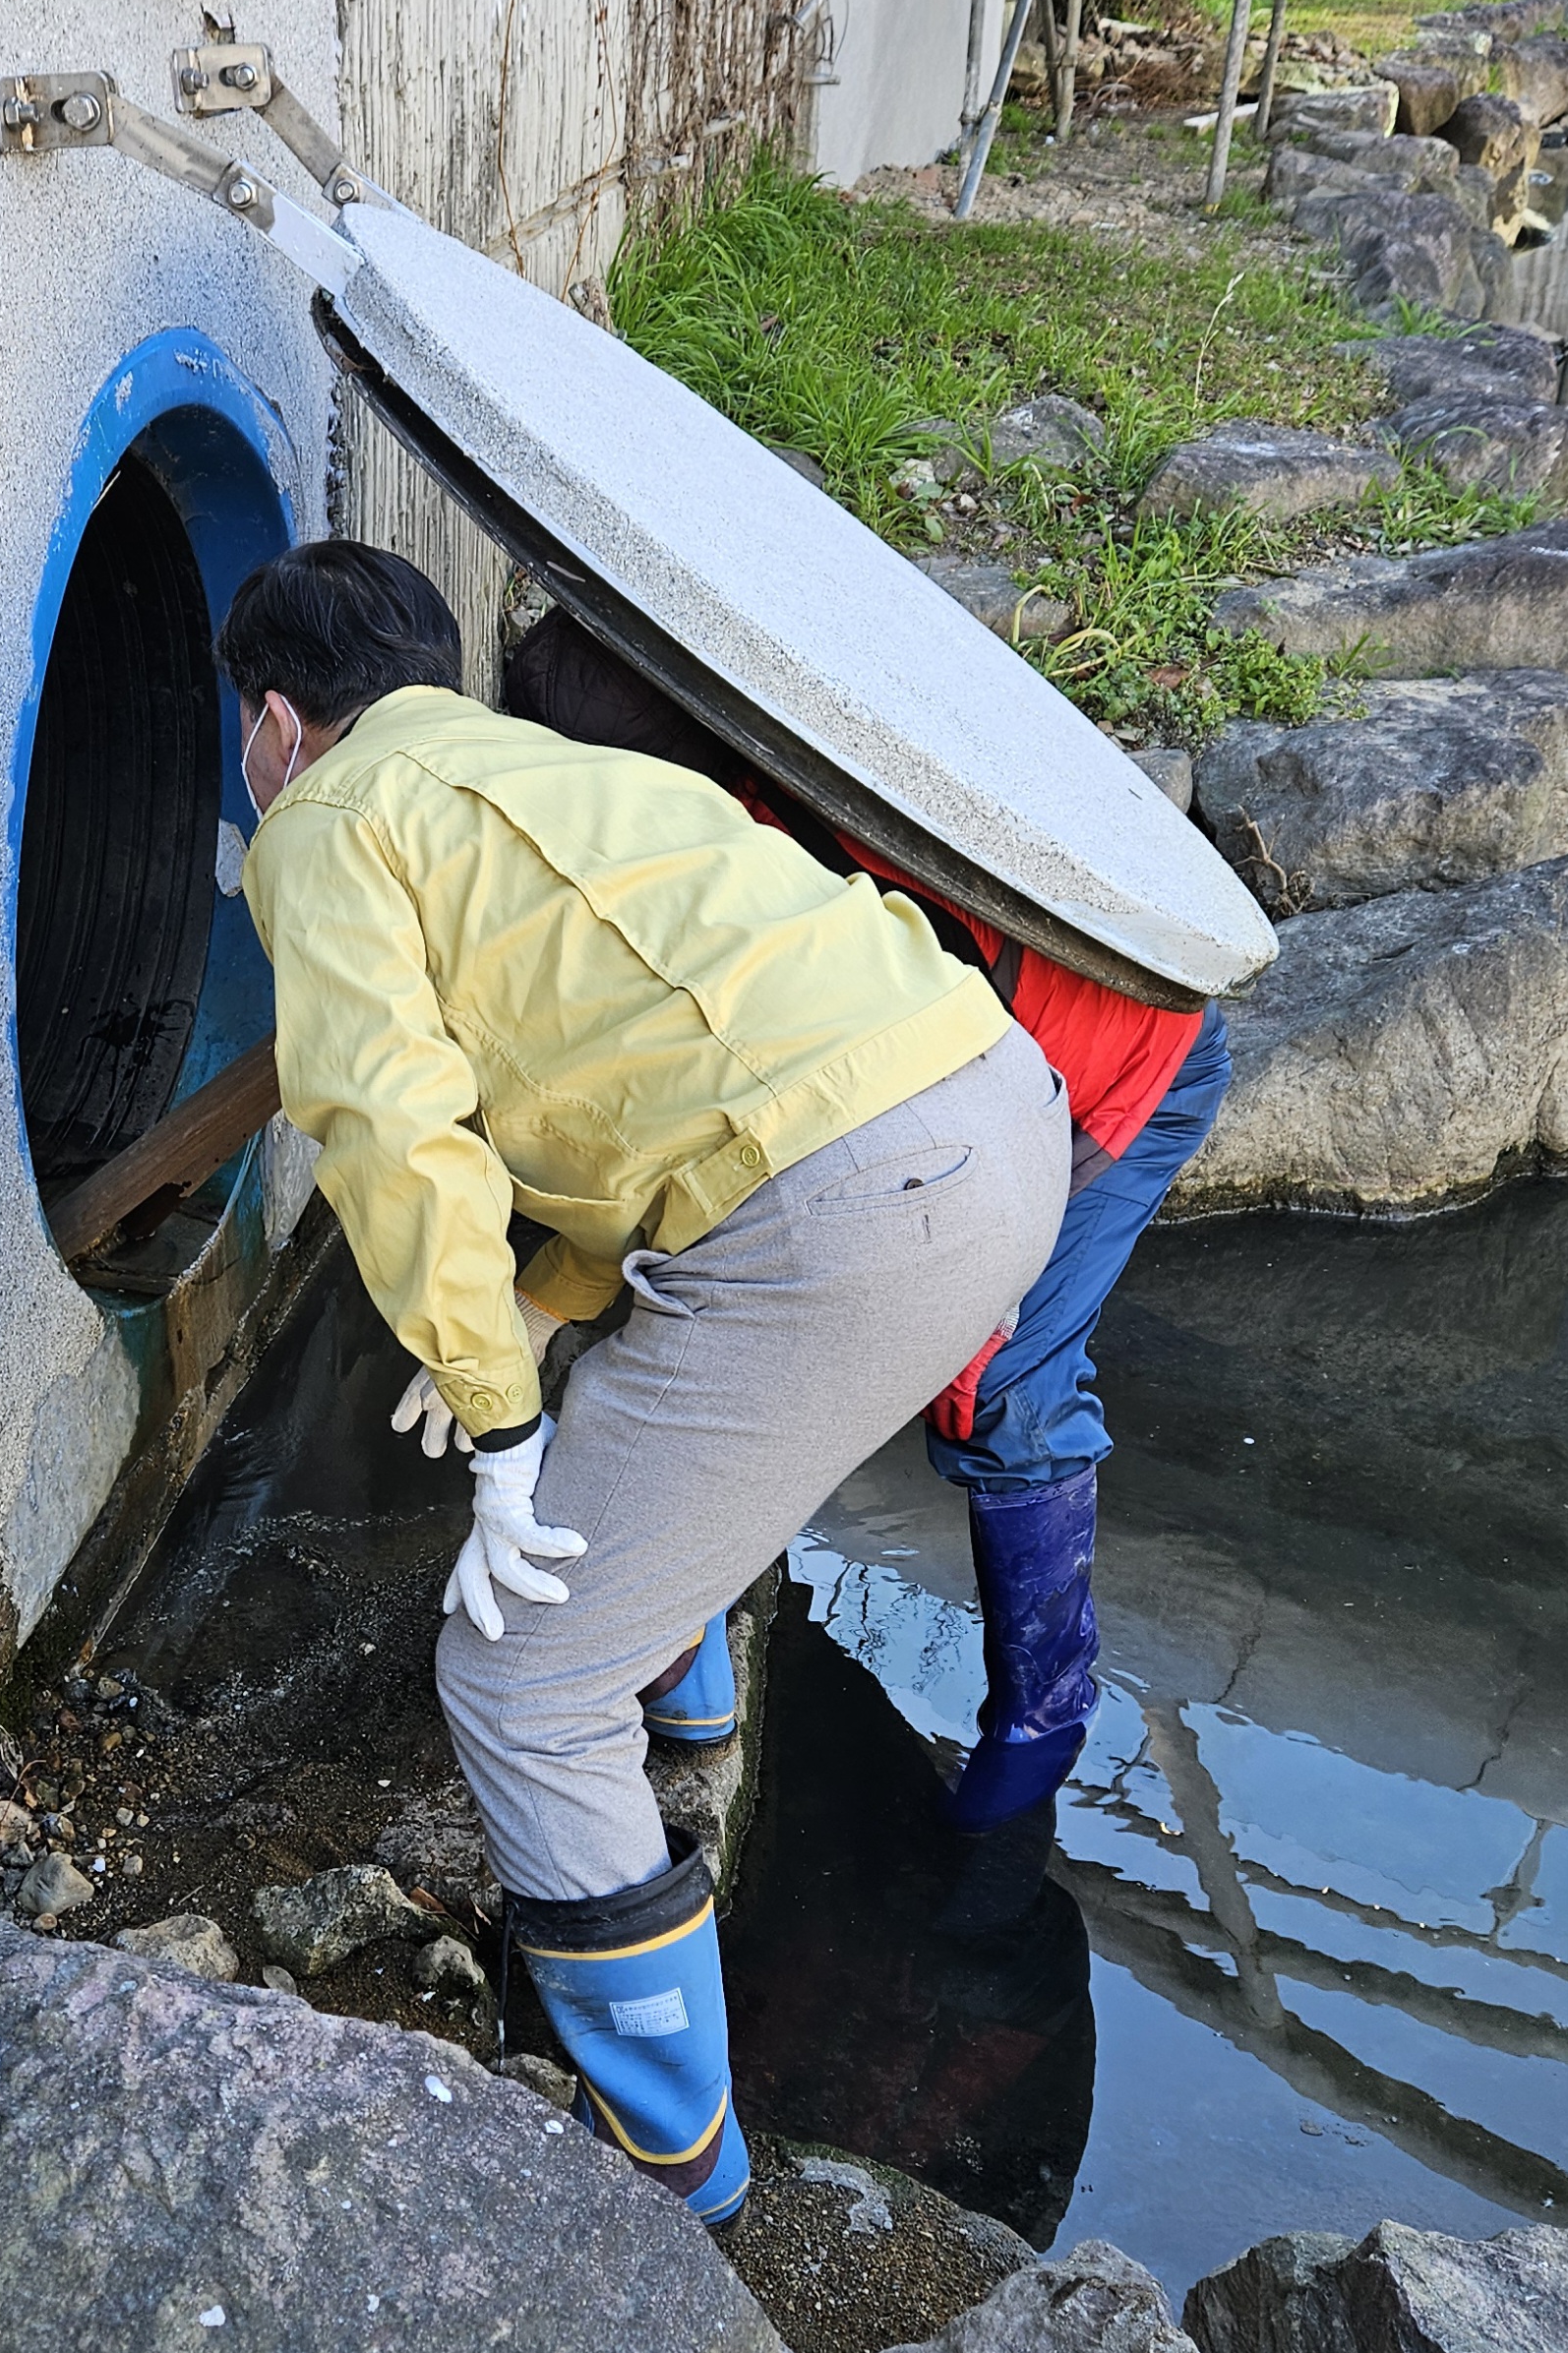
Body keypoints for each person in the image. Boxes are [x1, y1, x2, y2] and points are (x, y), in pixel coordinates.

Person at [223, 538, 1072, 2224]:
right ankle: (688, 1700)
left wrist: (498, 1420)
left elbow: (390, 1134)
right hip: (988, 1100)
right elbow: (652, 1080)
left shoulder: (321, 823)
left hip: (845, 1203)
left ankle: (678, 2177)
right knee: (652, 1367)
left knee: (518, 1673)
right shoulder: (539, 768)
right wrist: (542, 1306)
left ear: (274, 722)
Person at [504, 607, 1233, 1834]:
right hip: (960, 1052)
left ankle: (1037, 1728)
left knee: (996, 1378)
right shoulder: (688, 826)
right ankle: (682, 1675)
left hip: (1114, 1053)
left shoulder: (764, 854)